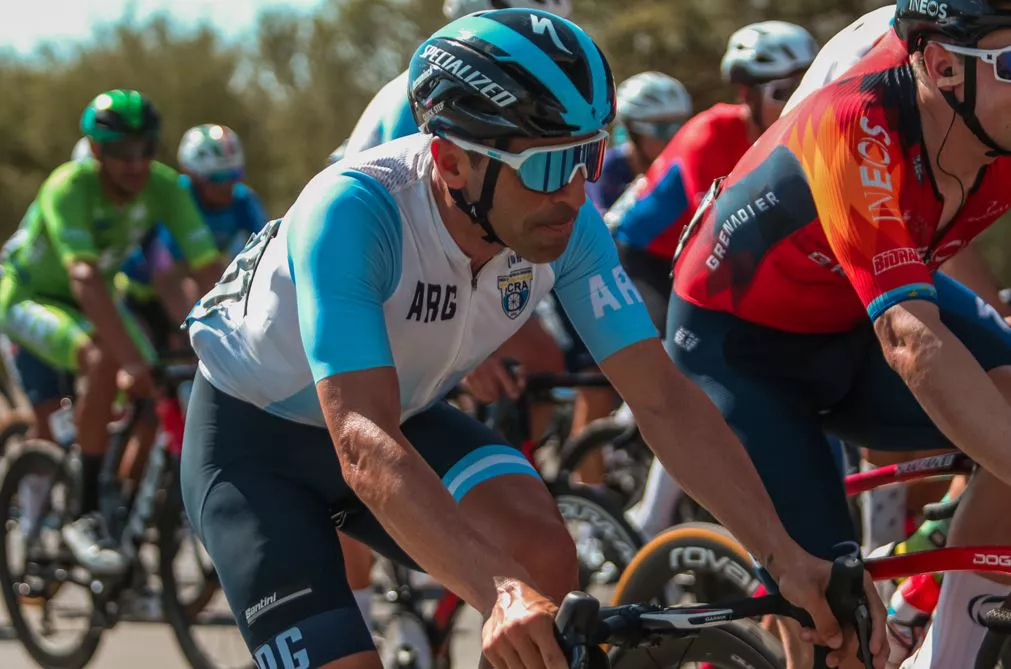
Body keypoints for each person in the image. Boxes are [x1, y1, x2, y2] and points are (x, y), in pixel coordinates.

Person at [181, 9, 885, 669]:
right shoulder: (355, 211)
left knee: (542, 555)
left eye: (589, 155)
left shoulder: (563, 219)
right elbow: (361, 439)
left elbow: (662, 397)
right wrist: (497, 589)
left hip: (402, 418)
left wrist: (782, 553)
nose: (576, 191)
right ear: (452, 163)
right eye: (548, 164)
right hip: (256, 447)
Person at [666, 1, 1011, 666]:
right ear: (941, 66)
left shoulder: (991, 113)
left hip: (854, 310)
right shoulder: (854, 120)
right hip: (740, 346)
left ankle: (947, 653)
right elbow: (909, 340)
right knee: (837, 629)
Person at [0, 90, 222, 576]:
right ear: (96, 151)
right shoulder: (69, 185)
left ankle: (114, 494)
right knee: (107, 360)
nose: (136, 163)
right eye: (122, 152)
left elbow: (208, 269)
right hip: (30, 297)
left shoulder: (163, 187)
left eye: (146, 149)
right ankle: (83, 509)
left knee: (159, 383)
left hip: (97, 296)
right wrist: (130, 361)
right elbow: (84, 279)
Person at [606, 20, 818, 333]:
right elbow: (720, 230)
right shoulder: (708, 134)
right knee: (670, 347)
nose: (798, 102)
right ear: (747, 95)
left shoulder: (801, 135)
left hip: (690, 255)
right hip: (640, 254)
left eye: (809, 88)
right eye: (783, 92)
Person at [117, 123, 268, 345]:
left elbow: (264, 259)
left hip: (187, 289)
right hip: (140, 294)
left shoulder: (244, 201)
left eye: (234, 175)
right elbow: (169, 275)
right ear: (195, 176)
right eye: (217, 179)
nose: (227, 185)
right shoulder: (177, 197)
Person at [585, 71, 692, 213]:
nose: (673, 137)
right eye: (663, 128)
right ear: (634, 132)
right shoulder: (605, 171)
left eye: (680, 126)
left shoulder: (685, 166)